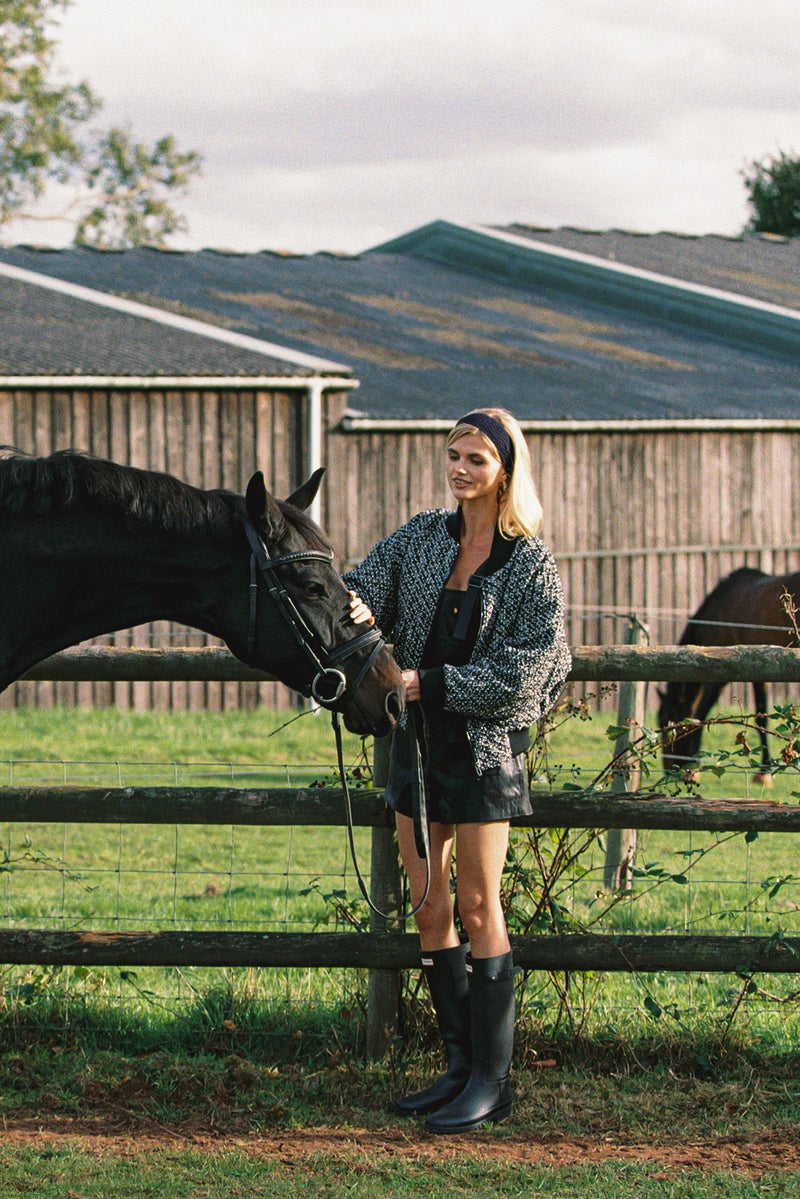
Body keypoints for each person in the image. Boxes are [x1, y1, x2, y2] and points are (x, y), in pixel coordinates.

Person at [344, 408, 571, 1134]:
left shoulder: (529, 560)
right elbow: (361, 585)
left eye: (476, 458)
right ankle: (454, 1066)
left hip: (482, 753)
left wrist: (430, 685)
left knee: (479, 906)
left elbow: (532, 666)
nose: (460, 469)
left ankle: (491, 1081)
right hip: (416, 748)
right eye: (453, 455)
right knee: (429, 905)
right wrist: (350, 604)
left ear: (505, 468)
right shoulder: (420, 536)